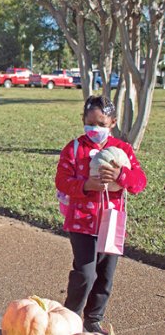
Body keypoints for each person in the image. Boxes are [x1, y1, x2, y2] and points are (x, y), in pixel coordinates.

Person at [55, 95, 146, 334]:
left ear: (112, 123)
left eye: (102, 124)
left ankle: (93, 320)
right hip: (81, 223)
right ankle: (70, 317)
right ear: (83, 120)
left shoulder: (123, 150)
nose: (95, 129)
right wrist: (86, 186)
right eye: (90, 123)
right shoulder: (74, 149)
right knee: (85, 274)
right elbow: (62, 181)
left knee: (105, 276)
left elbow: (139, 183)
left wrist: (121, 176)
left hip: (111, 223)